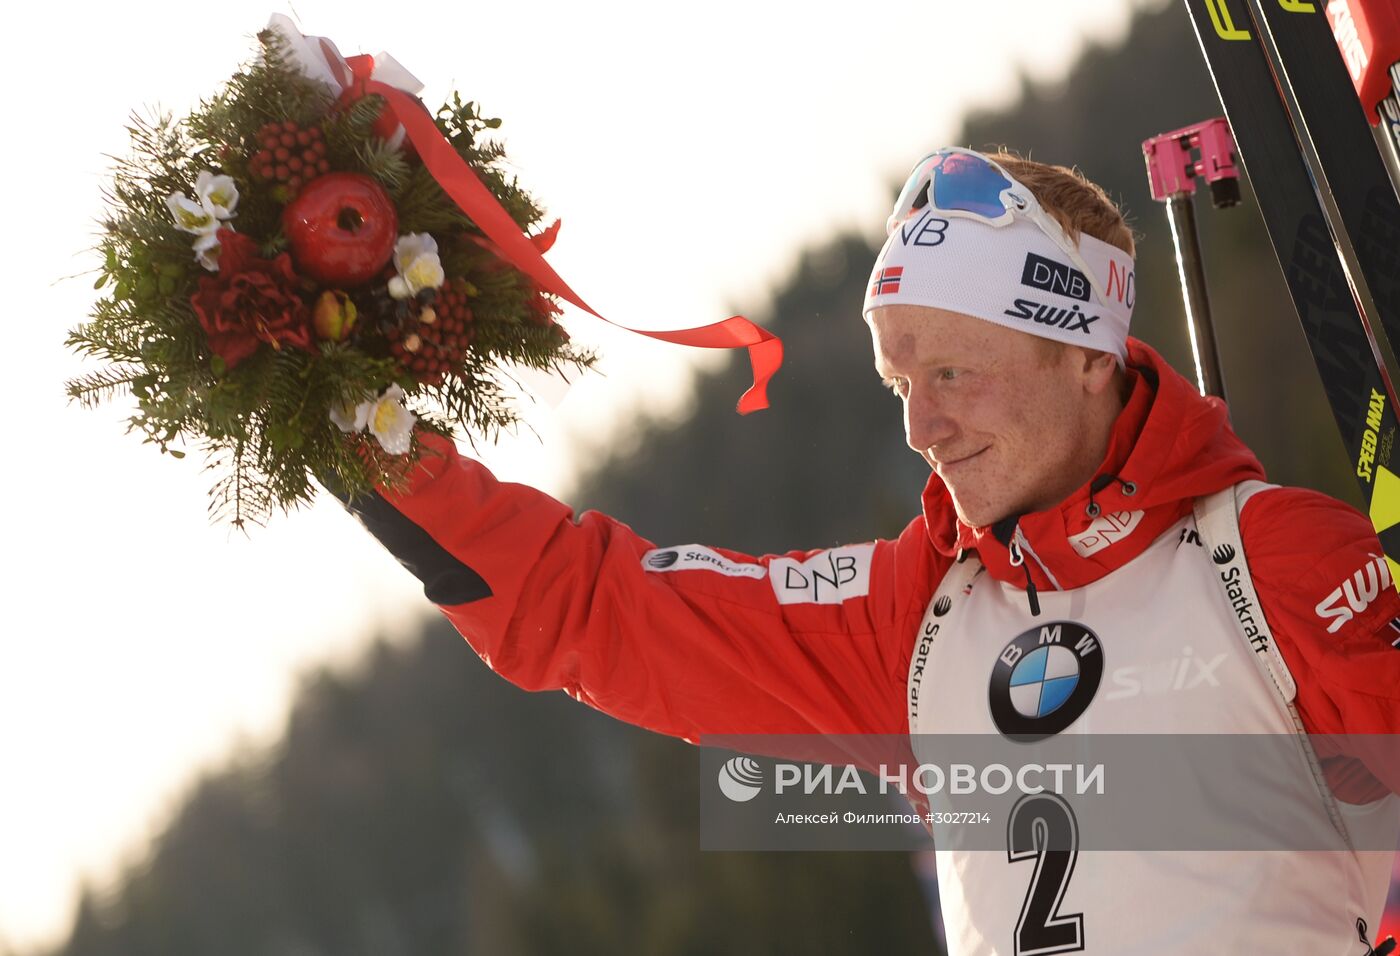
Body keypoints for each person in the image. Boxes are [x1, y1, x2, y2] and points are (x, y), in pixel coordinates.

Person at [332, 148, 1400, 954]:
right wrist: (351, 422)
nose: (918, 428)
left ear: (1083, 352)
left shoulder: (1267, 562)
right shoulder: (914, 613)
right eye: (901, 384)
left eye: (954, 374)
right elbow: (598, 610)